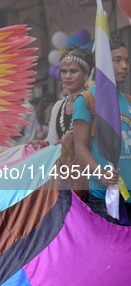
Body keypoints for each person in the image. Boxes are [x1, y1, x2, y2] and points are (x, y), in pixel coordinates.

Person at [73, 39, 131, 225]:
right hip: (105, 196)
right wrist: (101, 174)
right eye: (117, 60)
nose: (125, 66)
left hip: (130, 193)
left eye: (127, 60)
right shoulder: (87, 100)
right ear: (103, 62)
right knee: (112, 253)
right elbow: (80, 146)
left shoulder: (129, 101)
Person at [28, 45, 94, 147]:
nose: (68, 76)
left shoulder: (92, 102)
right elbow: (53, 142)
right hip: (63, 162)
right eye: (64, 71)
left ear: (86, 73)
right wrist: (41, 143)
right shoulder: (58, 106)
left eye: (73, 71)